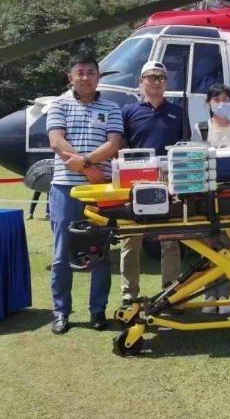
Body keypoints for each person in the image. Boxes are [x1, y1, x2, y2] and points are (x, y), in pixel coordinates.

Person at [46, 53, 123, 334]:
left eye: (91, 72)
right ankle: (61, 312)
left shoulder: (112, 107)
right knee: (61, 253)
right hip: (65, 189)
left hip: (98, 191)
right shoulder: (58, 105)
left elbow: (113, 143)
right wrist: (87, 167)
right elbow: (57, 141)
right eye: (80, 72)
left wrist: (88, 165)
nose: (85, 77)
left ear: (98, 76)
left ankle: (98, 311)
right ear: (71, 77)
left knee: (100, 253)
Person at [120, 61, 187, 306]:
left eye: (161, 78)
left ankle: (170, 292)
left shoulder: (179, 112)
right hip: (135, 181)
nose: (156, 82)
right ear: (141, 82)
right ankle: (129, 295)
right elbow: (120, 146)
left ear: (166, 83)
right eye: (151, 77)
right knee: (131, 240)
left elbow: (185, 147)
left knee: (170, 241)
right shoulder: (129, 111)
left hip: (168, 182)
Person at [192, 84, 230, 314]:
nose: (221, 103)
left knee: (228, 244)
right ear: (208, 103)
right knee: (206, 245)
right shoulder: (200, 128)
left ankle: (224, 295)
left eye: (226, 98)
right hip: (205, 195)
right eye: (216, 99)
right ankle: (208, 294)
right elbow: (194, 159)